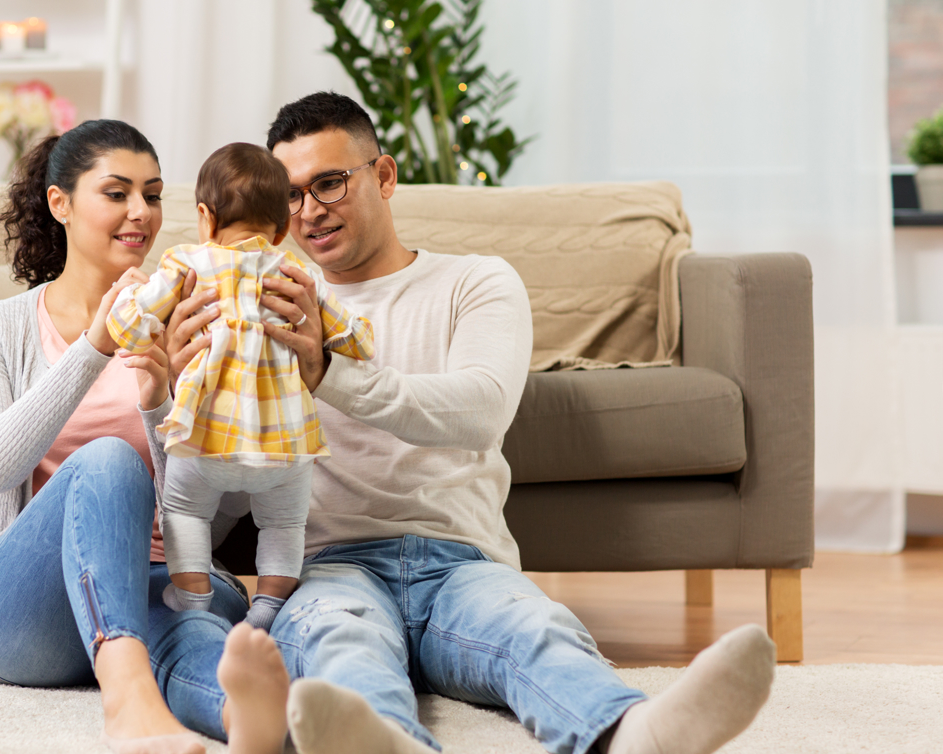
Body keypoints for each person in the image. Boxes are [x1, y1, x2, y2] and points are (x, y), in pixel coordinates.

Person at [157, 93, 777, 754]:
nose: (309, 211)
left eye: (329, 183)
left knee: (530, 627)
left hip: (462, 559)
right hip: (332, 564)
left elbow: (480, 411)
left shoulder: (475, 282)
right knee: (336, 643)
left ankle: (631, 732)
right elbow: (217, 486)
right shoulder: (260, 302)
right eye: (291, 196)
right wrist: (172, 394)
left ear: (385, 176)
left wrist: (328, 373)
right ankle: (388, 743)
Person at [0, 120, 292, 754]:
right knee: (105, 459)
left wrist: (171, 401)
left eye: (154, 195)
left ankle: (268, 728)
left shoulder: (192, 319)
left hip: (157, 584)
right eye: (117, 193)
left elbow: (225, 513)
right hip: (21, 614)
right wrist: (93, 348)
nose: (141, 213)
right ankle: (128, 704)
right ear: (61, 204)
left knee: (201, 643)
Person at [107, 142, 374, 631]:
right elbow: (357, 337)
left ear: (206, 217)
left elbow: (128, 323)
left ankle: (192, 597)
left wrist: (129, 299)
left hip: (208, 437)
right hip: (285, 444)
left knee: (185, 513)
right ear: (280, 228)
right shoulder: (298, 275)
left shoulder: (186, 263)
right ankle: (268, 607)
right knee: (284, 524)